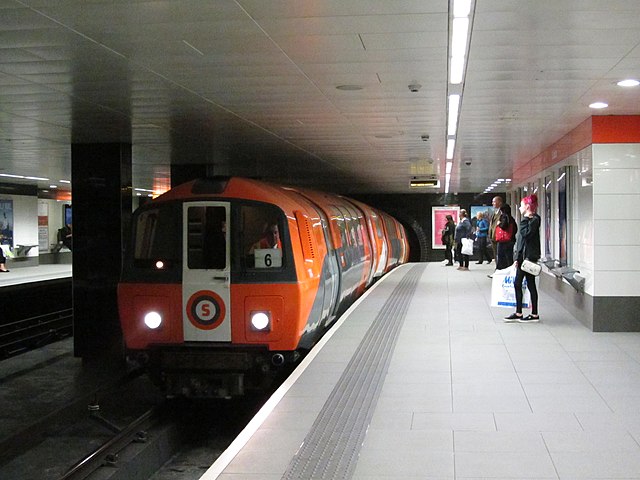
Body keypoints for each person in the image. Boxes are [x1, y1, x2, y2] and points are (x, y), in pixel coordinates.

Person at [505, 194, 541, 323]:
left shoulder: (533, 220)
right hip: (523, 258)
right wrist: (517, 257)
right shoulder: (530, 220)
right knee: (522, 284)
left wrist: (525, 219)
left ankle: (530, 313)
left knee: (524, 284)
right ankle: (521, 312)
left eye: (521, 206)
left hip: (528, 259)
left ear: (527, 207)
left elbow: (525, 235)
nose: (519, 208)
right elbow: (521, 242)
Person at [495, 204, 517, 270]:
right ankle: (510, 270)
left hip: (503, 241)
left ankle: (500, 271)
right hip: (510, 240)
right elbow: (515, 229)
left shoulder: (504, 216)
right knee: (509, 256)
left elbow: (503, 226)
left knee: (501, 257)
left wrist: (499, 224)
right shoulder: (511, 218)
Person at [487, 196, 503, 277]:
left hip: (498, 238)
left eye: (494, 201)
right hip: (493, 237)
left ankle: (499, 271)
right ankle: (497, 270)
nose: (492, 203)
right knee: (495, 255)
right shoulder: (494, 212)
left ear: (499, 202)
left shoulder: (502, 213)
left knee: (499, 255)